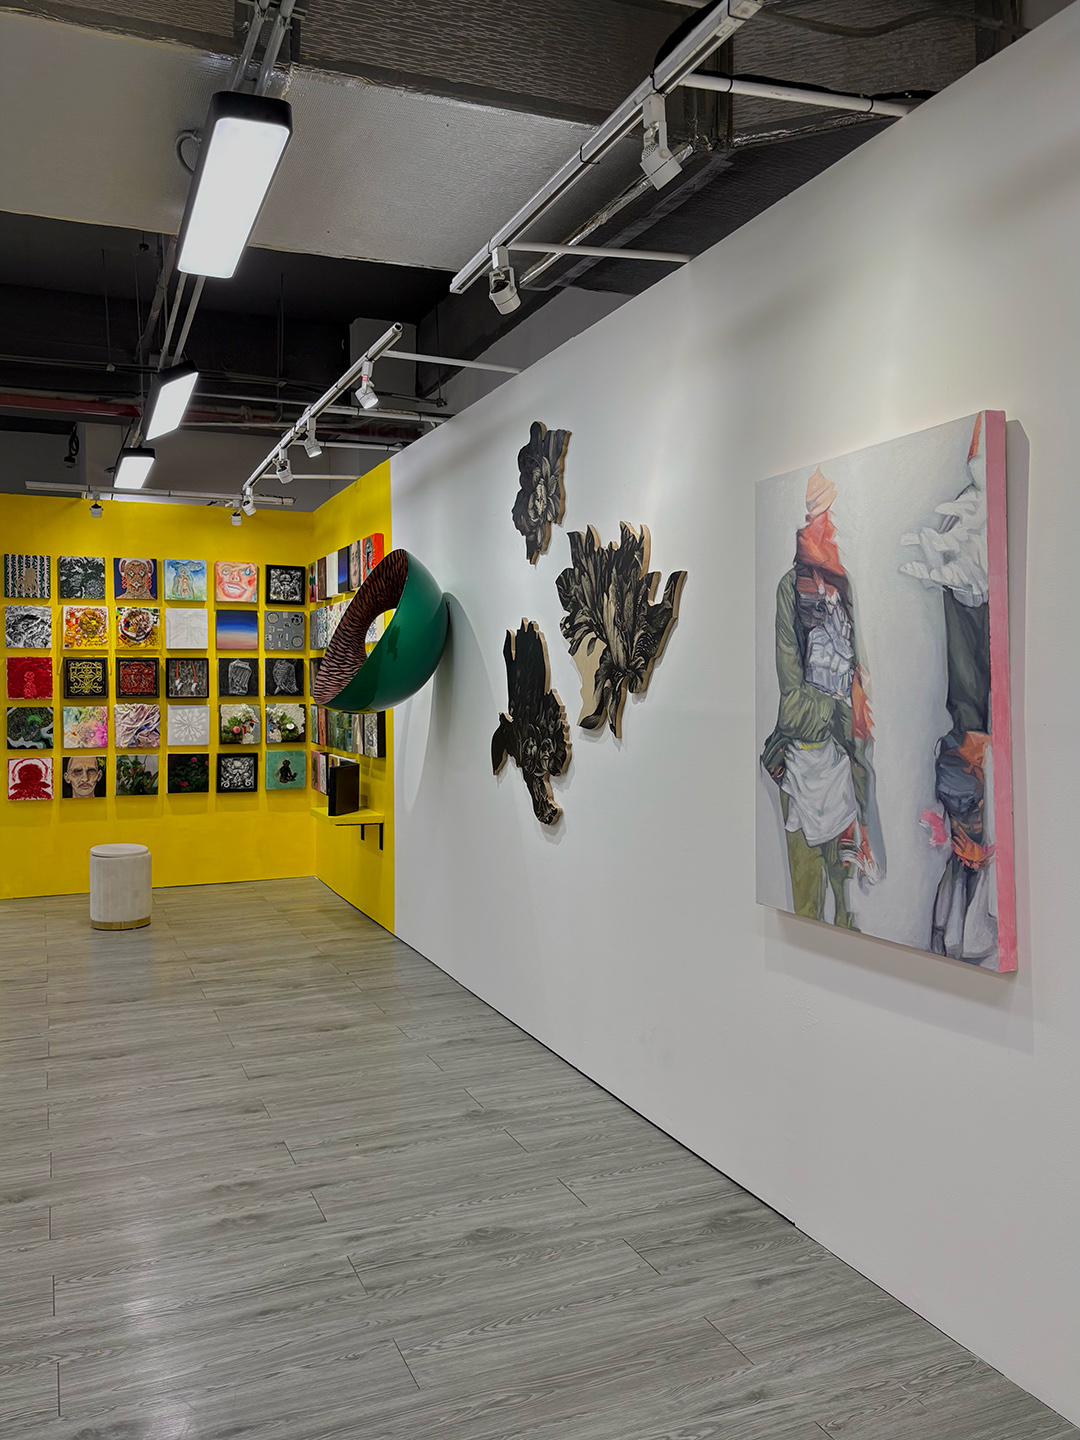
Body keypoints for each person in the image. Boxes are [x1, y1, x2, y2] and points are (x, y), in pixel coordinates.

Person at [761, 469, 878, 927]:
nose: (829, 528)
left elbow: (853, 677)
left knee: (848, 914)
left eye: (830, 517)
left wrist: (850, 713)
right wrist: (838, 710)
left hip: (841, 773)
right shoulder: (790, 590)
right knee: (806, 913)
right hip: (801, 770)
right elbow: (793, 702)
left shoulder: (843, 589)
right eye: (821, 517)